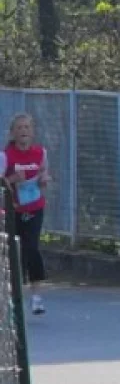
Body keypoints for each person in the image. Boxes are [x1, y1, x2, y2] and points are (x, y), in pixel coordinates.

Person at [5, 113, 51, 315]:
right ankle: (13, 298)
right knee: (13, 253)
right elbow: (1, 182)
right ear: (13, 133)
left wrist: (43, 181)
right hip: (13, 210)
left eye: (27, 128)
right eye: (19, 128)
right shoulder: (5, 155)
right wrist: (14, 179)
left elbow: (44, 176)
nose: (23, 131)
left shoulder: (40, 152)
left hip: (34, 208)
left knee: (32, 248)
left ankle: (37, 297)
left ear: (32, 132)